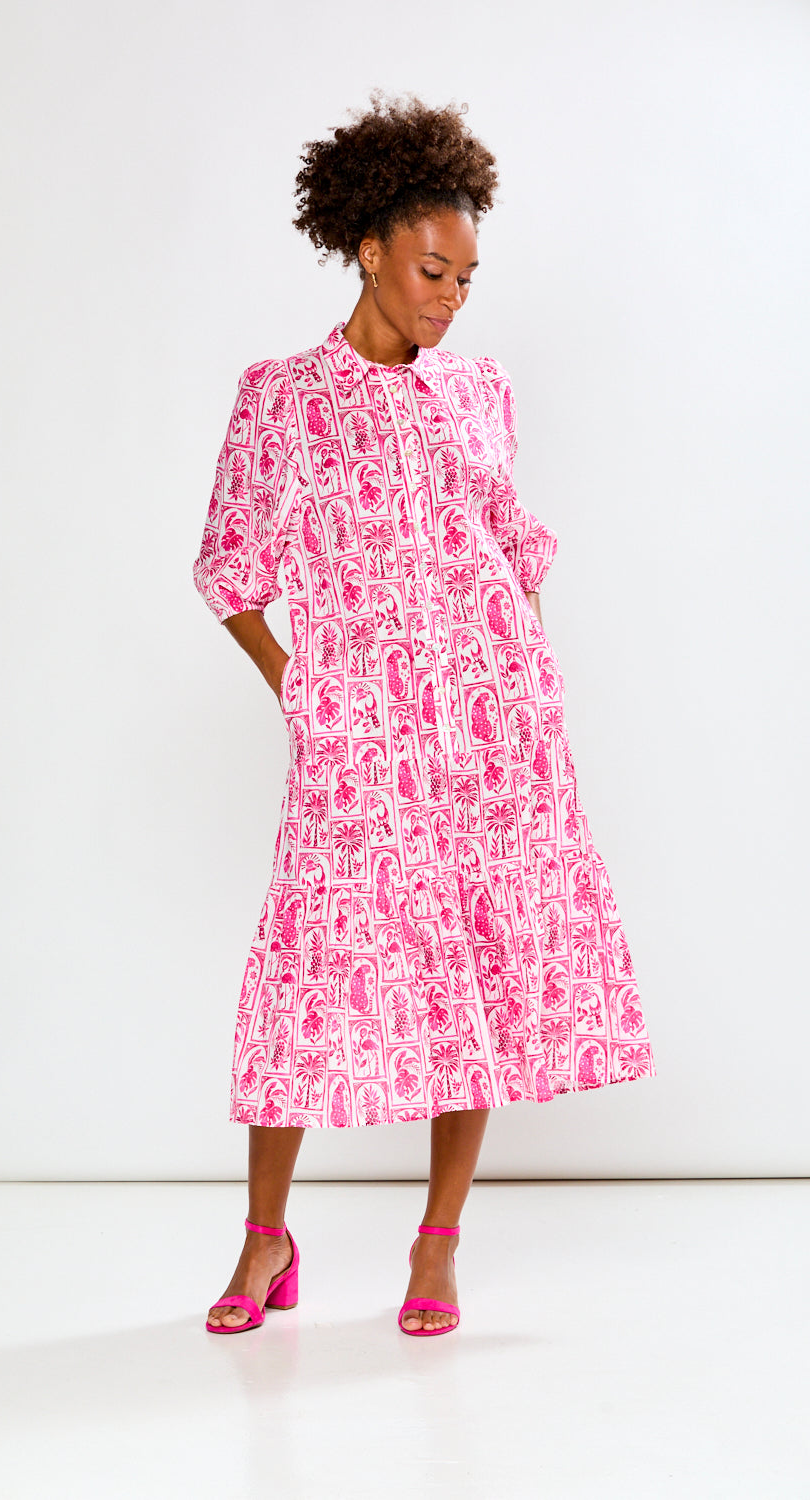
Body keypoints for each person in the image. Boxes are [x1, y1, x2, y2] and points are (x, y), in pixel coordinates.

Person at [193, 93, 656, 1337]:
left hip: (493, 733)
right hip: (360, 744)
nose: (449, 296)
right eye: (429, 269)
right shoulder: (280, 398)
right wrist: (303, 688)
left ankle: (437, 1239)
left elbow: (516, 547)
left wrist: (532, 696)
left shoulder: (480, 389)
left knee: (477, 974)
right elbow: (229, 570)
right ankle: (263, 1243)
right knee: (306, 970)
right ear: (368, 249)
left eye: (465, 276)